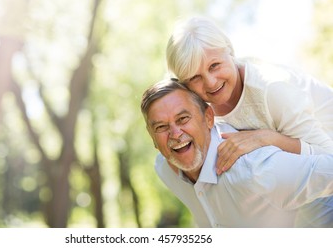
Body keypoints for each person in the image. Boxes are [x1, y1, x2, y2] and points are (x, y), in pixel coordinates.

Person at [141, 79, 333, 227]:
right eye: (161, 127)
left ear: (208, 118)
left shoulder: (253, 168)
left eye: (183, 119)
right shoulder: (164, 169)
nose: (175, 134)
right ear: (152, 138)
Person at [166, 16, 333, 175]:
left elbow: (328, 157)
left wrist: (265, 138)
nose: (210, 82)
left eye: (214, 66)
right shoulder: (199, 107)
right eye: (195, 77)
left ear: (230, 53)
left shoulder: (272, 89)